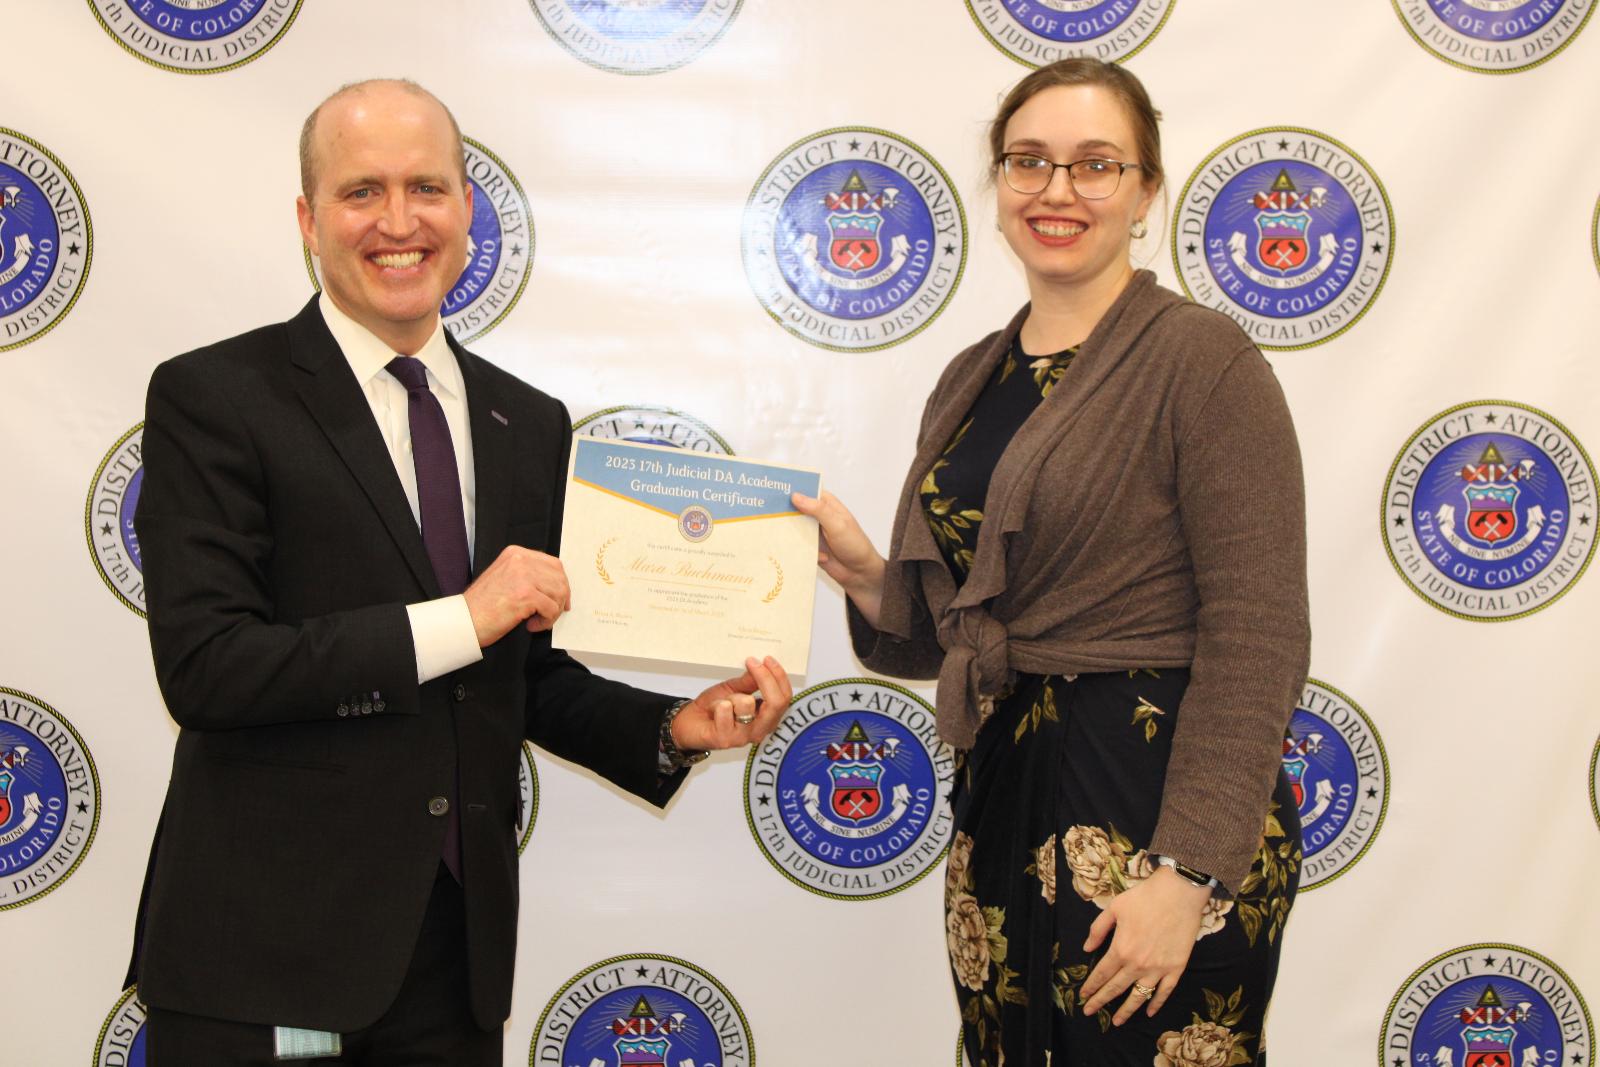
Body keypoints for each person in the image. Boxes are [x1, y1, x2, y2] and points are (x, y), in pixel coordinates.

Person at [125, 78, 792, 1067]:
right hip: (269, 953)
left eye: (426, 188)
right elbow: (209, 667)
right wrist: (461, 617)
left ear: (469, 209)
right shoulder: (215, 396)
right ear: (309, 219)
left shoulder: (526, 421)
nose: (399, 222)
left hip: (455, 961)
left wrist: (671, 727)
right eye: (362, 191)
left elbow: (524, 674)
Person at [793, 58, 1308, 1066]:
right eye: (1028, 161)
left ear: (1146, 191)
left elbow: (1260, 633)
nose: (1056, 190)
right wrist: (864, 575)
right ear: (997, 185)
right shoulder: (972, 375)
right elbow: (960, 631)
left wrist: (1186, 874)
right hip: (1004, 796)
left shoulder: (1204, 362)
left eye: (1095, 164)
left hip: (1157, 810)